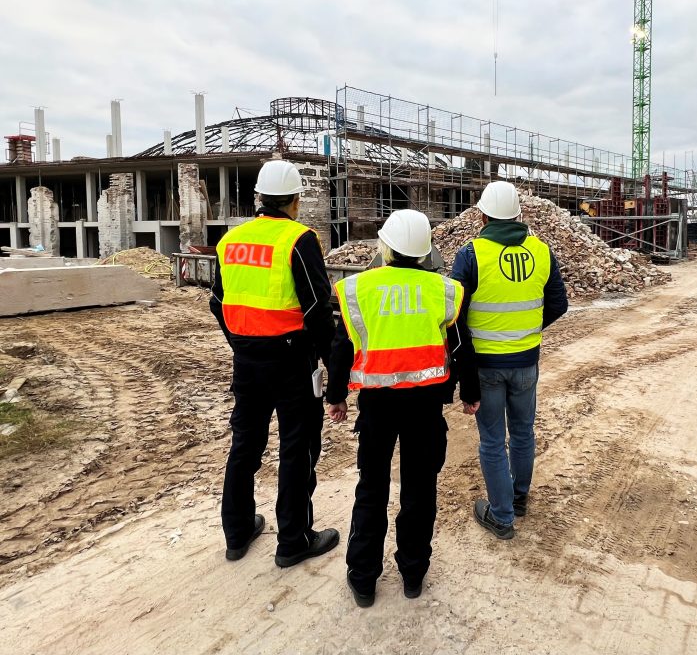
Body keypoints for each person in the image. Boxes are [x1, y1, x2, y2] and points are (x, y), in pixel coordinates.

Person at [326, 209, 480, 607]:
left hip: (376, 405)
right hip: (425, 406)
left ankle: (363, 580)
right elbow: (461, 346)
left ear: (386, 247)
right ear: (425, 251)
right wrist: (470, 391)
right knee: (419, 489)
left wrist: (335, 395)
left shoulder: (359, 288)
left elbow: (342, 346)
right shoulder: (443, 290)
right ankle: (413, 573)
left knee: (371, 488)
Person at [210, 160, 340, 566]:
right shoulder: (299, 239)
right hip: (290, 359)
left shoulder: (231, 240)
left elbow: (217, 300)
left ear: (259, 198)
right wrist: (331, 363)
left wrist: (239, 342)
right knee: (297, 447)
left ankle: (237, 533)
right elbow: (318, 308)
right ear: (295, 200)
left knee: (245, 444)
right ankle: (293, 540)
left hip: (247, 360)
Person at [451, 182, 568, 540]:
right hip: (526, 361)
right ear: (519, 214)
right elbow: (559, 304)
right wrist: (527, 328)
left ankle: (502, 517)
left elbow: (454, 313)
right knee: (522, 431)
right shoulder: (541, 251)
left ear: (482, 215)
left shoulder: (471, 254)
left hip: (486, 365)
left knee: (492, 440)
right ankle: (518, 498)